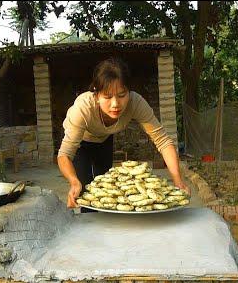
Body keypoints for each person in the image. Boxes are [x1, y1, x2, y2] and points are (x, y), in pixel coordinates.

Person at [57, 57, 190, 209]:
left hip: (104, 139)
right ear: (96, 95)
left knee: (109, 193)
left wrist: (178, 181)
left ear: (129, 91)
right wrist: (73, 182)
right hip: (79, 143)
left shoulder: (136, 103)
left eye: (121, 95)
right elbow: (65, 154)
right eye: (107, 96)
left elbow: (163, 141)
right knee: (86, 192)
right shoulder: (83, 108)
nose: (115, 104)